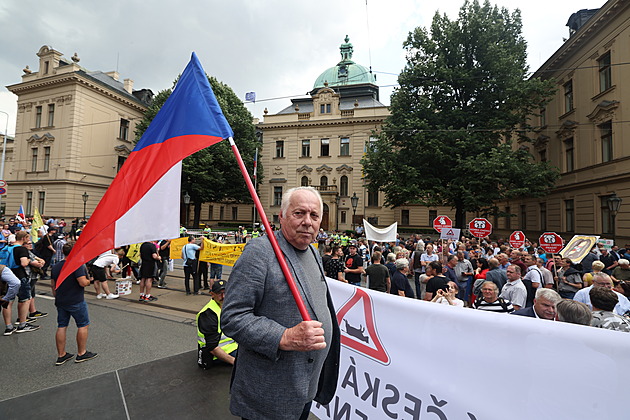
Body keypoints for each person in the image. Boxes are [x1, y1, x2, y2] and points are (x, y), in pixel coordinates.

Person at [221, 187, 340, 420]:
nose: (308, 222)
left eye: (314, 215)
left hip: (305, 387)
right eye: (299, 213)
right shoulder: (260, 252)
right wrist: (283, 337)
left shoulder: (313, 252)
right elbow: (233, 317)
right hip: (270, 396)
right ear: (281, 217)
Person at [51, 242, 98, 365]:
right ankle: (81, 353)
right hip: (75, 300)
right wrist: (89, 281)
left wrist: (58, 297)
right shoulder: (76, 265)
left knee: (62, 326)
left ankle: (61, 355)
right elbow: (82, 282)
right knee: (83, 325)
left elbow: (53, 285)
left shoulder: (56, 266)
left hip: (61, 300)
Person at [2, 231, 40, 335]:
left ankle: (8, 327)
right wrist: (28, 260)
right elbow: (23, 263)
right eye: (28, 238)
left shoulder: (7, 247)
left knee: (8, 302)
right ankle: (22, 324)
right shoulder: (21, 249)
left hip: (6, 275)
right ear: (23, 238)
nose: (29, 240)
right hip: (19, 276)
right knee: (24, 300)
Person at [196, 280, 238, 368]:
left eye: (226, 292)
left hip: (234, 347)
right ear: (212, 294)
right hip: (218, 355)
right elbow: (212, 348)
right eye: (219, 293)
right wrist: (234, 361)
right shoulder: (208, 314)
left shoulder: (229, 306)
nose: (223, 296)